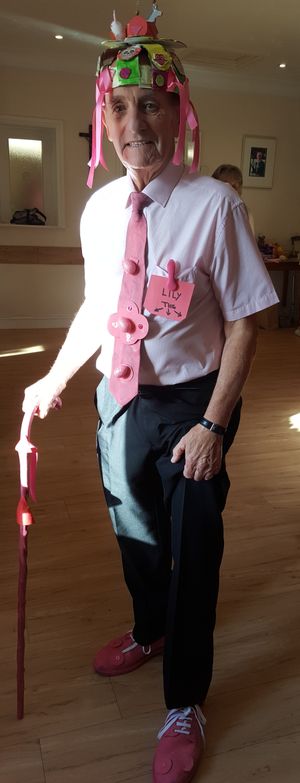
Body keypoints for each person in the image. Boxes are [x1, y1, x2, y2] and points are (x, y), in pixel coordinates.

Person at [23, 6, 279, 783]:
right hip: (120, 402)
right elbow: (97, 310)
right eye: (120, 107)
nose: (136, 121)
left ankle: (185, 700)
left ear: (178, 108)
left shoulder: (216, 206)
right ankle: (149, 627)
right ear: (104, 115)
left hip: (194, 408)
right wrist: (56, 377)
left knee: (193, 552)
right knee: (135, 536)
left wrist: (213, 423)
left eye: (153, 103)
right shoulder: (100, 209)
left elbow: (245, 326)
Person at [212, 163, 255, 235]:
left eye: (233, 187)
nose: (228, 190)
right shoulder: (210, 209)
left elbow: (249, 243)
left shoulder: (245, 213)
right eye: (223, 185)